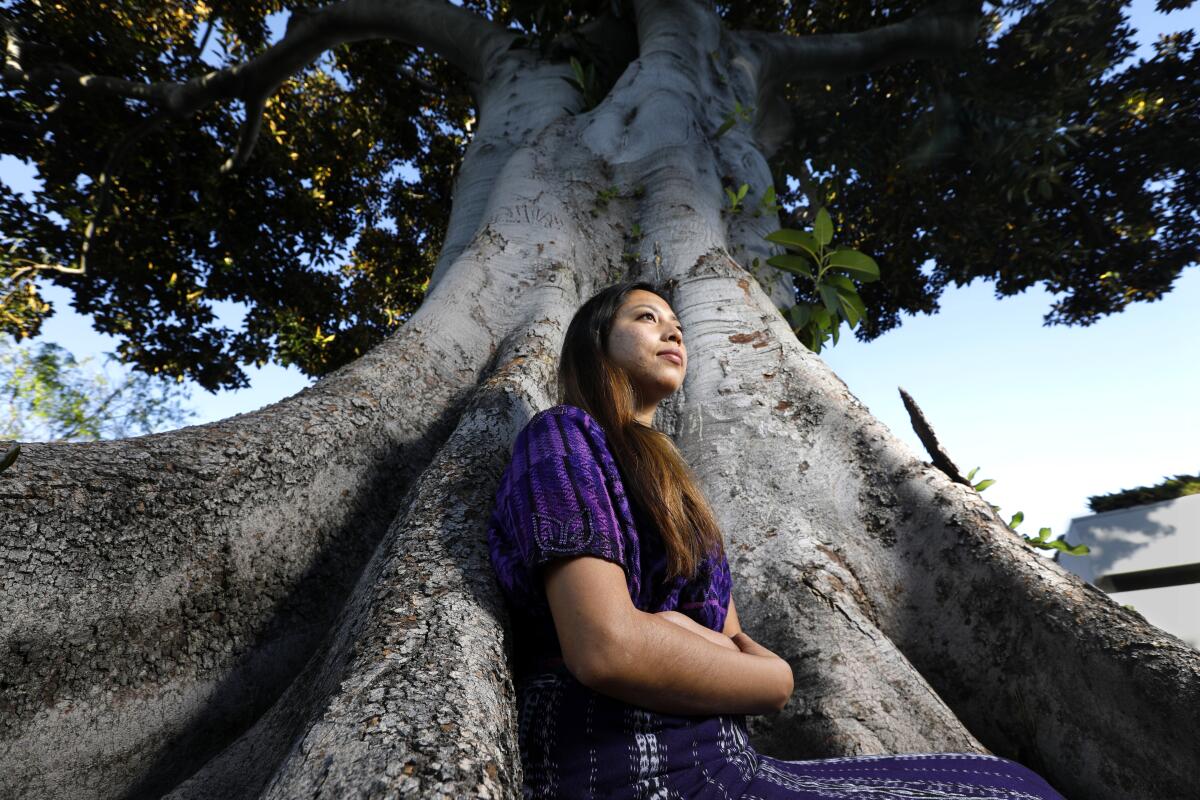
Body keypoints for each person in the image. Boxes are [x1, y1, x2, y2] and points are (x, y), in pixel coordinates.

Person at [486, 281, 1066, 799]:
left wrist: (692, 641)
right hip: (628, 765)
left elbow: (731, 636)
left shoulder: (675, 486)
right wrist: (769, 677)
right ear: (595, 343)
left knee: (1014, 782)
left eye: (679, 326)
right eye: (645, 318)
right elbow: (608, 648)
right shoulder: (563, 436)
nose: (672, 331)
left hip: (723, 757)